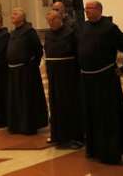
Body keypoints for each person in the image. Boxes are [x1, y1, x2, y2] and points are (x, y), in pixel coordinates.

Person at [77, 0, 123, 164]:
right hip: (87, 79)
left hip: (105, 79)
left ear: (99, 10)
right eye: (85, 9)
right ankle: (94, 149)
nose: (87, 11)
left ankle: (111, 151)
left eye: (90, 9)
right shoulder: (83, 27)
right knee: (92, 114)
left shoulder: (110, 28)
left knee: (107, 116)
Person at [44, 10, 83, 148]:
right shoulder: (48, 35)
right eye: (48, 20)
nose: (51, 22)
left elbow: (78, 53)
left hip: (68, 75)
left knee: (69, 104)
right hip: (54, 76)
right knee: (54, 105)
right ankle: (57, 135)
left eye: (53, 19)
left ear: (60, 19)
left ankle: (74, 137)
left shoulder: (70, 33)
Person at [6, 8, 48, 134]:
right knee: (16, 99)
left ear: (23, 17)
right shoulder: (13, 33)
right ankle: (16, 125)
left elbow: (38, 51)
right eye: (12, 13)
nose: (12, 16)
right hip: (13, 71)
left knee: (26, 99)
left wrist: (31, 67)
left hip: (26, 72)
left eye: (15, 14)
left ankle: (28, 125)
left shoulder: (30, 32)